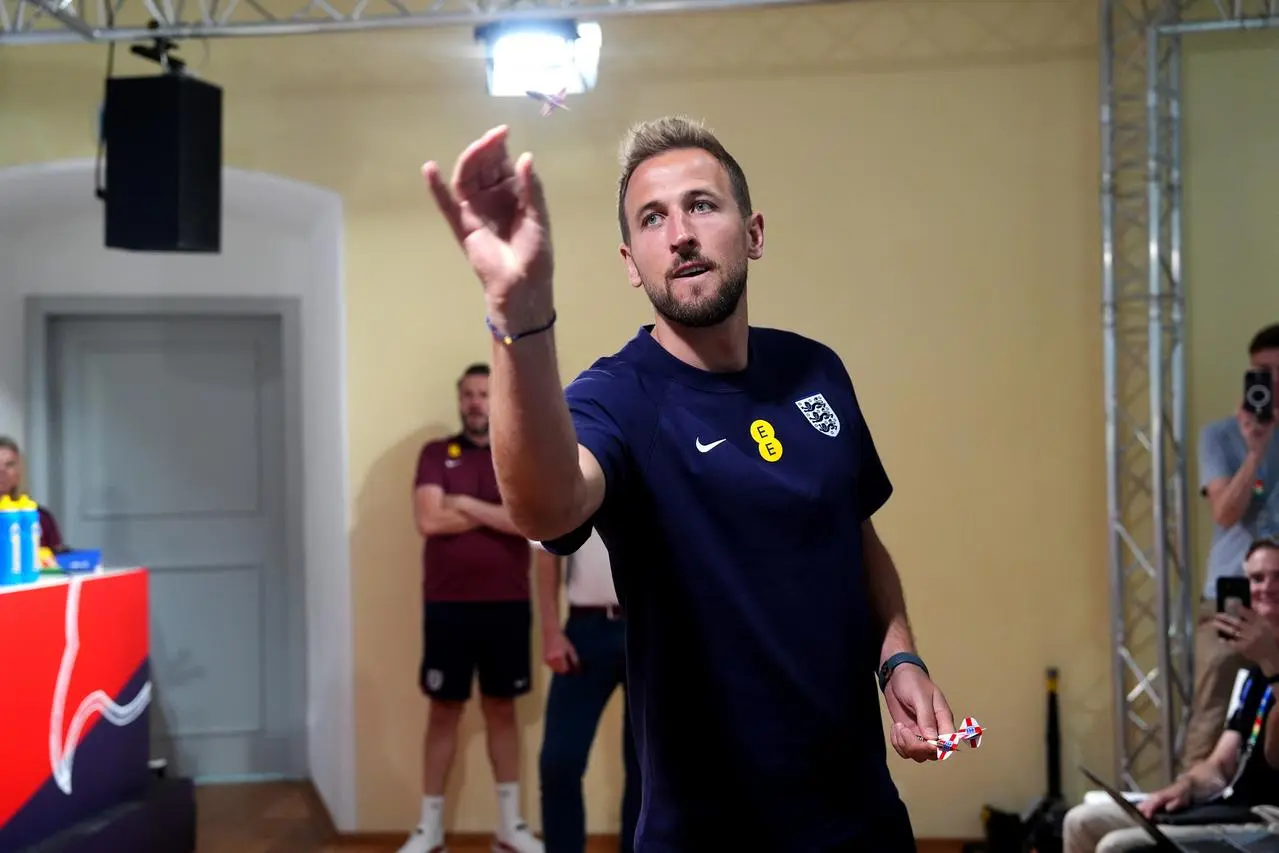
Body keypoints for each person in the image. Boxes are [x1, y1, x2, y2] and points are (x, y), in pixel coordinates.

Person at [421, 117, 955, 852]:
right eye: (652, 217)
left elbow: (855, 534)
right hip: (705, 831)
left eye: (701, 205)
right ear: (630, 261)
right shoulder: (617, 396)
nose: (678, 233)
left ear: (754, 231)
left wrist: (898, 654)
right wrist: (518, 313)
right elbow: (545, 504)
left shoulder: (817, 370)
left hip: (860, 814)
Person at [400, 363, 542, 853]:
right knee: (443, 711)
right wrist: (493, 515)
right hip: (447, 606)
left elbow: (528, 523)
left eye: (484, 394)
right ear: (460, 400)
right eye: (469, 394)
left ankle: (509, 828)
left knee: (501, 710)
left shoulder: (516, 453)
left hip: (507, 604)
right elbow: (429, 521)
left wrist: (463, 503)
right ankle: (429, 830)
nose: (476, 402)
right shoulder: (437, 453)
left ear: (495, 398)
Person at [1063, 537, 1279, 853]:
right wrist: (1186, 785)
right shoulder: (1251, 675)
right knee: (1080, 822)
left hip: (1268, 819)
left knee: (1119, 847)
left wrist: (1273, 662)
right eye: (1257, 578)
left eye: (1278, 578)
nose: (1266, 588)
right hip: (1230, 807)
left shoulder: (1267, 665)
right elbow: (1221, 764)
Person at [1185, 324, 1279, 765]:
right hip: (1233, 594)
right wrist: (1255, 451)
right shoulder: (1221, 436)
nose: (1273, 382)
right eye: (1264, 372)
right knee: (1215, 712)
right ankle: (1185, 814)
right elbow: (1225, 512)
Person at [534, 527, 640, 853]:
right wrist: (551, 630)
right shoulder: (574, 474)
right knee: (558, 761)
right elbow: (544, 550)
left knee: (646, 767)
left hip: (649, 624)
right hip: (585, 628)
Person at [0, 435, 66, 553]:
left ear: (19, 471)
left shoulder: (40, 517)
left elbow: (56, 561)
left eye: (9, 465)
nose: (2, 471)